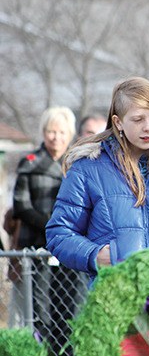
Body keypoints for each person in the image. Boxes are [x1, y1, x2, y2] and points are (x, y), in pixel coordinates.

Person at [46, 77, 149, 326]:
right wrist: (95, 255)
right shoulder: (88, 168)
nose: (148, 128)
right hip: (113, 301)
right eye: (138, 119)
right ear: (118, 122)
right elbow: (59, 233)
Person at [12, 106, 78, 355]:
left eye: (61, 132)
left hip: (69, 252)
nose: (56, 137)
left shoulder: (77, 164)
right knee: (39, 310)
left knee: (69, 308)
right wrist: (51, 226)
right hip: (37, 247)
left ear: (70, 134)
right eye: (51, 131)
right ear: (43, 132)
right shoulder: (29, 164)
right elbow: (21, 205)